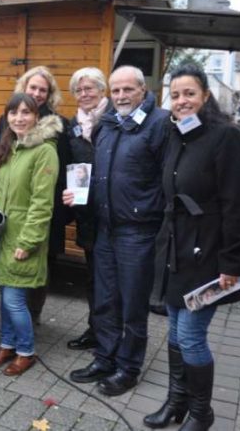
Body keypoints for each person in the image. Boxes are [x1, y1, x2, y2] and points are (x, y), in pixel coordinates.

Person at [144, 64, 240, 431]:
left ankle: (202, 412)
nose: (181, 101)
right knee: (174, 333)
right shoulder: (176, 135)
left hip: (208, 255)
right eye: (174, 95)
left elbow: (237, 203)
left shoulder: (225, 137)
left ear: (205, 95)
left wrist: (231, 261)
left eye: (189, 93)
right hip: (176, 250)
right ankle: (177, 402)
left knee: (190, 336)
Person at [69, 65, 169, 396]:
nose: (122, 96)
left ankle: (128, 367)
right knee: (106, 299)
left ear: (143, 89)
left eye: (128, 89)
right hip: (105, 227)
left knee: (132, 304)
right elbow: (98, 172)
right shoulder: (108, 123)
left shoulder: (159, 124)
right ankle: (105, 357)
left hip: (137, 230)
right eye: (116, 90)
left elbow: (167, 179)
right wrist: (80, 195)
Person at [0, 93, 61, 376]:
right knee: (4, 294)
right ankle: (7, 345)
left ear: (36, 116)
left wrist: (28, 242)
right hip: (5, 234)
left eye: (26, 112)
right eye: (13, 112)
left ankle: (26, 351)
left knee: (14, 300)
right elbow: (3, 193)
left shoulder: (44, 151)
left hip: (24, 236)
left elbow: (42, 203)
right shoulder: (11, 146)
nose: (19, 118)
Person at [0, 66, 72, 324]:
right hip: (14, 205)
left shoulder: (58, 126)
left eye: (43, 89)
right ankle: (15, 329)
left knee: (38, 266)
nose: (38, 93)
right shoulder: (10, 118)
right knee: (12, 272)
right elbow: (2, 157)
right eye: (33, 88)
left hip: (44, 205)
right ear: (23, 89)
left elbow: (63, 167)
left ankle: (31, 320)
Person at [61, 67, 110, 351]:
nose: (84, 94)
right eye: (78, 90)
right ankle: (95, 330)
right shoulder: (73, 126)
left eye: (89, 88)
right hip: (88, 216)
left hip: (114, 215)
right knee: (93, 278)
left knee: (112, 280)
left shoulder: (115, 121)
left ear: (102, 90)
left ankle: (111, 336)